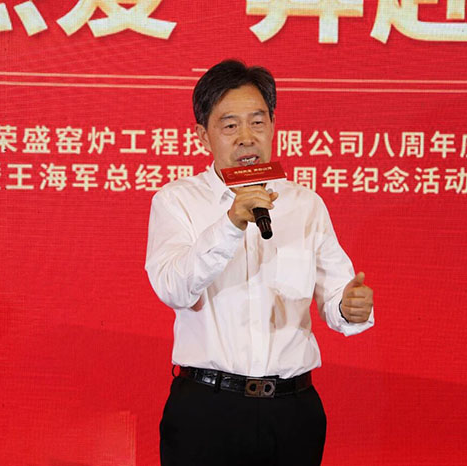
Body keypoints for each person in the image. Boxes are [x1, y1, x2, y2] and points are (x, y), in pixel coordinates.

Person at [145, 59, 374, 466]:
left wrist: (348, 306)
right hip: (207, 410)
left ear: (272, 126)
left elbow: (335, 294)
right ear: (203, 136)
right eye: (230, 126)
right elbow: (173, 288)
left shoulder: (305, 204)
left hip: (291, 412)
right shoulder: (176, 201)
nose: (247, 138)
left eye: (257, 122)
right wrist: (231, 223)